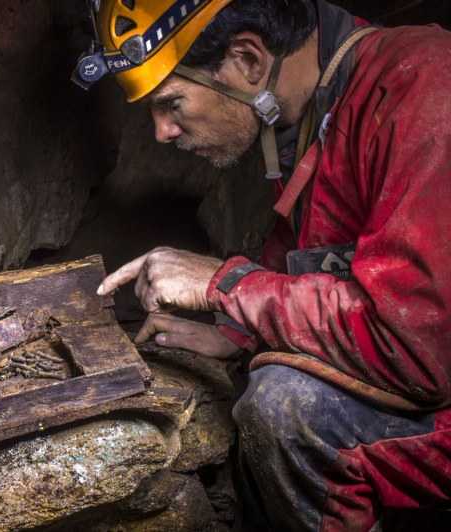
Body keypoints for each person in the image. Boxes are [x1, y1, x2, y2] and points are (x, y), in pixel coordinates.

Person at [72, 0, 451, 530]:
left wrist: (226, 286)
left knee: (282, 406)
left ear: (248, 60)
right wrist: (238, 332)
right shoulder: (316, 104)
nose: (161, 131)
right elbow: (311, 257)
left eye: (172, 103)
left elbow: (417, 353)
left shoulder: (422, 91)